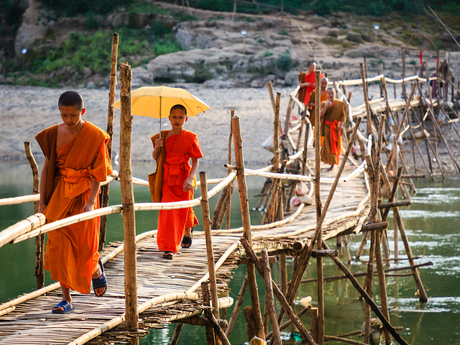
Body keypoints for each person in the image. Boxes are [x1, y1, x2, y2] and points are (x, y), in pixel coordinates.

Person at [35, 91, 112, 314]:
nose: (69, 120)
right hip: (59, 197)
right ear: (59, 111)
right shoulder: (52, 134)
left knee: (85, 247)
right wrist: (42, 205)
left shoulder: (94, 135)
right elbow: (48, 169)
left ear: (83, 112)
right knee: (59, 246)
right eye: (65, 115)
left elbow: (99, 174)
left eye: (74, 115)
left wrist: (90, 202)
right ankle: (66, 298)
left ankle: (96, 269)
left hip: (85, 195)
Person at [151, 104, 203, 260]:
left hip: (183, 177)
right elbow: (156, 158)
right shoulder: (162, 136)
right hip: (167, 179)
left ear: (186, 119)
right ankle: (169, 248)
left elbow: (195, 162)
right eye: (174, 116)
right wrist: (157, 148)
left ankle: (187, 231)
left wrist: (190, 178)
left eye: (181, 117)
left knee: (184, 209)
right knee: (168, 212)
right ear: (169, 118)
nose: (177, 120)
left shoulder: (191, 137)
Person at [320, 87, 346, 171]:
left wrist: (341, 125)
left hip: (336, 128)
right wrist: (326, 107)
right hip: (327, 128)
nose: (331, 95)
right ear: (326, 94)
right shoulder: (323, 103)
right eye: (329, 93)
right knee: (328, 146)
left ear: (335, 94)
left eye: (332, 93)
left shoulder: (339, 104)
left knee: (335, 145)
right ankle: (331, 162)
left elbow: (342, 116)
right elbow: (320, 115)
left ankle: (333, 164)